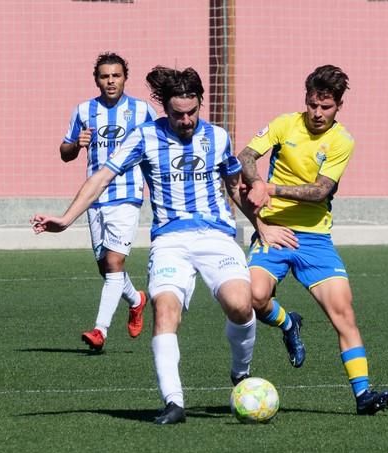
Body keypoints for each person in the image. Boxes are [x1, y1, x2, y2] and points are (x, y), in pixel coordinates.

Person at [33, 66, 257, 425]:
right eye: (177, 113)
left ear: (200, 104)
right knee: (165, 311)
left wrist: (262, 224)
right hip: (170, 239)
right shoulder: (144, 136)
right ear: (165, 109)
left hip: (217, 236)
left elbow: (234, 186)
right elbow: (101, 176)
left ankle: (241, 373)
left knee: (240, 305)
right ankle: (174, 402)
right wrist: (66, 218)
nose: (185, 120)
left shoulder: (218, 137)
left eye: (191, 112)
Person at [237, 64, 388, 415]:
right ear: (305, 100)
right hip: (274, 231)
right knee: (253, 297)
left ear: (339, 106)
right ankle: (288, 323)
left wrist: (270, 187)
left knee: (344, 314)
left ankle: (363, 394)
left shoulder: (342, 141)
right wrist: (256, 181)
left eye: (326, 107)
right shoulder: (284, 124)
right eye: (313, 105)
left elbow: (321, 190)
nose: (318, 113)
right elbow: (246, 156)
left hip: (315, 239)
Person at [60, 52, 157, 351]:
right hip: (94, 198)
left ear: (125, 78)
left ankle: (100, 330)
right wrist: (77, 144)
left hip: (127, 196)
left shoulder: (142, 111)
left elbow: (156, 153)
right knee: (106, 267)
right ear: (97, 80)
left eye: (116, 75)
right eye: (105, 76)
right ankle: (137, 299)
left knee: (115, 262)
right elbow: (65, 152)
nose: (111, 81)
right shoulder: (84, 110)